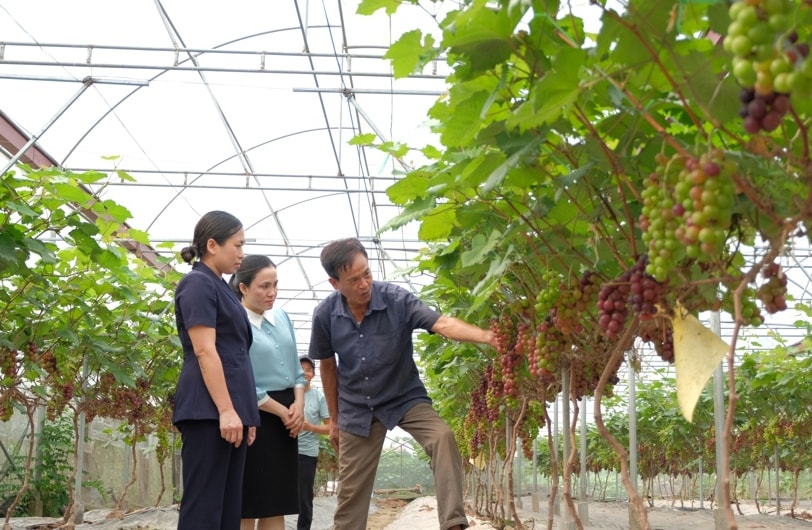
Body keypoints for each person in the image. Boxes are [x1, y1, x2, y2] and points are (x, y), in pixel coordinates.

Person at [308, 237, 498, 530]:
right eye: (354, 279)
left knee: (442, 437)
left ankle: (454, 524)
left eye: (367, 274)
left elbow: (442, 324)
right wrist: (334, 419)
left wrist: (487, 336)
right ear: (335, 284)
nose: (364, 284)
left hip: (404, 397)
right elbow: (328, 367)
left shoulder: (397, 299)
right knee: (350, 494)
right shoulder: (325, 315)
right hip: (357, 407)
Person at [172, 210, 260, 530]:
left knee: (226, 508)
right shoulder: (197, 284)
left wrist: (245, 413)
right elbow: (205, 350)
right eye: (237, 245)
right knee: (204, 508)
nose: (241, 253)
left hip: (229, 412)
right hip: (208, 411)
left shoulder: (221, 287)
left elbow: (236, 353)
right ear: (212, 244)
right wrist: (226, 409)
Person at [228, 254, 305, 530]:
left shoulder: (282, 316)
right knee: (248, 501)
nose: (272, 293)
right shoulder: (236, 322)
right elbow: (240, 378)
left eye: (275, 285)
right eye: (264, 286)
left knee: (277, 501)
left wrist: (298, 405)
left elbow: (297, 370)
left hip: (288, 414)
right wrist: (283, 411)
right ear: (243, 288)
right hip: (254, 413)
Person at [296, 355, 331, 530]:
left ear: (314, 374)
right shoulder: (287, 393)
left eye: (308, 370)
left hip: (307, 453)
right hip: (284, 451)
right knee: (276, 494)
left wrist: (310, 427)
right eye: (301, 369)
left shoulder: (318, 397)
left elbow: (330, 427)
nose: (304, 373)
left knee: (304, 498)